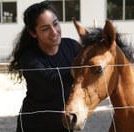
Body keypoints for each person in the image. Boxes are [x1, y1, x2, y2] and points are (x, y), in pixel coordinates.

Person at [8, 1, 81, 132]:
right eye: (45, 28)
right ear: (33, 32)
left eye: (55, 24)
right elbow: (52, 80)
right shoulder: (29, 59)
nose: (54, 32)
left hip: (65, 124)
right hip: (35, 125)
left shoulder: (72, 46)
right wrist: (83, 70)